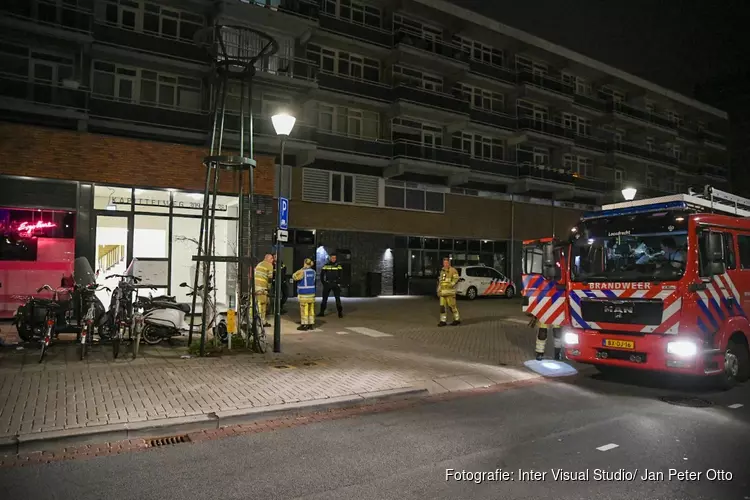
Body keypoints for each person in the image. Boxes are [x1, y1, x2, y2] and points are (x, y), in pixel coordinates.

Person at [293, 258, 317, 331]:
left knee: (304, 309)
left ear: (304, 263)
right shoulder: (313, 272)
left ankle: (304, 324)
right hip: (312, 293)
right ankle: (311, 324)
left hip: (304, 294)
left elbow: (294, 276)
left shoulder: (302, 272)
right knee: (311, 309)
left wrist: (301, 269)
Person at [318, 253, 343, 318]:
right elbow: (322, 275)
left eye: (335, 258)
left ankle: (340, 313)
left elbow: (341, 275)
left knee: (337, 299)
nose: (333, 259)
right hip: (328, 284)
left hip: (335, 284)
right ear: (330, 258)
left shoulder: (338, 266)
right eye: (332, 258)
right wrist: (324, 283)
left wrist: (338, 283)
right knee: (324, 299)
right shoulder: (326, 265)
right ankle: (321, 312)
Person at [253, 253, 275, 327]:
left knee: (257, 303)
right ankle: (262, 321)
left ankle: (257, 321)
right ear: (268, 258)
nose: (273, 260)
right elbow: (270, 278)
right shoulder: (269, 266)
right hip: (262, 287)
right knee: (263, 304)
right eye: (272, 259)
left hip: (255, 286)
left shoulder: (259, 264)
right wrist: (268, 288)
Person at [437, 257, 460, 326]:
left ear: (449, 263)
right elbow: (440, 282)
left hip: (450, 293)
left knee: (452, 307)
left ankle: (457, 319)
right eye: (444, 263)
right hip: (442, 293)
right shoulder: (442, 271)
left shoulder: (453, 270)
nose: (445, 264)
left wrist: (451, 284)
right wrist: (438, 290)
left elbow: (456, 279)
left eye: (446, 263)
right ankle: (443, 321)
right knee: (442, 308)